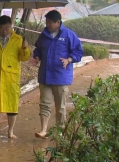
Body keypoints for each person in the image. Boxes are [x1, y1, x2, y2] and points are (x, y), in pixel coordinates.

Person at [31, 10, 83, 139]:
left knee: (60, 106)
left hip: (61, 77)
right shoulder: (43, 35)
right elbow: (38, 48)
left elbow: (78, 52)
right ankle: (43, 130)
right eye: (46, 22)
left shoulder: (69, 35)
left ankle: (60, 132)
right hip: (45, 76)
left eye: (50, 22)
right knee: (44, 104)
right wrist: (37, 57)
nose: (47, 25)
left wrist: (69, 60)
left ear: (58, 22)